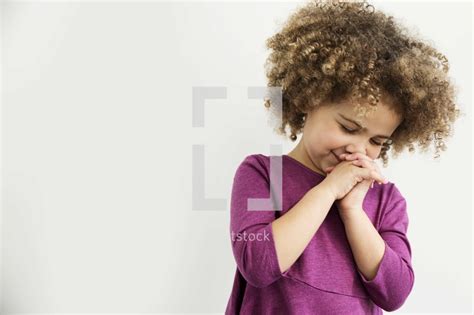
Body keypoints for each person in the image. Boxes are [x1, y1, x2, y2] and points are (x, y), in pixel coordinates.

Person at [225, 0, 461, 314]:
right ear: (309, 99)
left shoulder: (386, 199)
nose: (359, 150)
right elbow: (258, 264)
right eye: (349, 127)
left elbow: (395, 293)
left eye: (377, 141)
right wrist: (328, 190)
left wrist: (352, 211)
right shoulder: (262, 174)